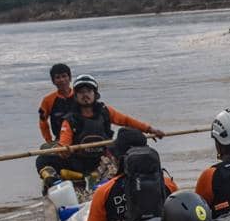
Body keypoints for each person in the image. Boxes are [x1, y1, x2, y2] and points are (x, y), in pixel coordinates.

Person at [37, 74, 166, 183]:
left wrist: (150, 129)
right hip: (80, 162)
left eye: (88, 91)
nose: (85, 95)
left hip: (104, 158)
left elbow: (127, 121)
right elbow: (64, 142)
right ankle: (65, 179)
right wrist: (64, 150)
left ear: (95, 94)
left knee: (127, 136)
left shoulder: (105, 111)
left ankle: (104, 174)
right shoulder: (70, 119)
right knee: (42, 159)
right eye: (81, 92)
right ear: (76, 97)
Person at [35, 63, 77, 186]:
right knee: (44, 149)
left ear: (70, 77)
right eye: (58, 77)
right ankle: (50, 179)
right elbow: (43, 122)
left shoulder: (80, 96)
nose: (62, 80)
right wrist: (49, 140)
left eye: (64, 76)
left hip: (80, 140)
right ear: (53, 81)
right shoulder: (48, 100)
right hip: (59, 142)